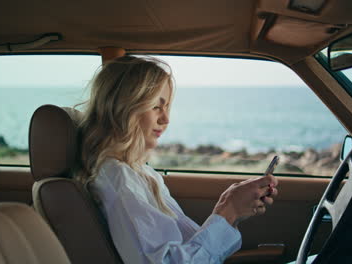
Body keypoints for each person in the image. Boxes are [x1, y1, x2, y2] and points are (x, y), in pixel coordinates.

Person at [75, 55, 278, 264]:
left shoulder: (141, 172)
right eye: (156, 107)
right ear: (124, 108)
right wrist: (229, 211)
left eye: (167, 107)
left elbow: (189, 247)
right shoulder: (118, 178)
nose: (166, 119)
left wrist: (230, 209)